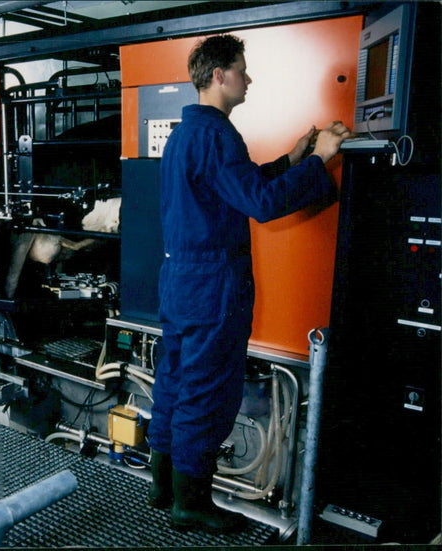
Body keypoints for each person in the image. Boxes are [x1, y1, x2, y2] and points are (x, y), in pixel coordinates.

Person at [147, 34, 351, 533]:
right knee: (207, 389)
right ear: (219, 76)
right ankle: (190, 504)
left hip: (179, 278)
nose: (248, 77)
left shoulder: (186, 133)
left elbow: (240, 186)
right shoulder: (216, 134)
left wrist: (293, 157)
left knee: (175, 379)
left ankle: (164, 486)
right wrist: (320, 159)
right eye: (241, 69)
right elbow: (260, 203)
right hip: (212, 282)